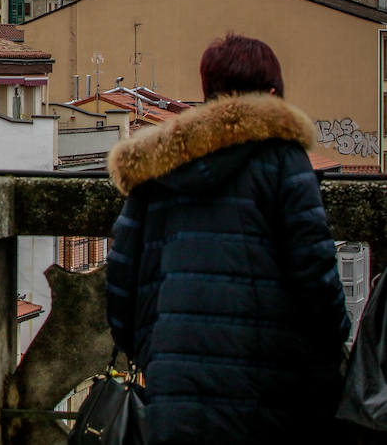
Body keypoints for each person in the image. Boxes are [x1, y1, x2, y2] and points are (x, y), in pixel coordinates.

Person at [105, 33, 350, 444]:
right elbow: (315, 270)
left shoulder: (159, 163)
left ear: (209, 89)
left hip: (175, 381)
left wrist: (150, 350)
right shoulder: (281, 158)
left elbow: (122, 274)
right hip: (272, 381)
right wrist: (332, 344)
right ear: (272, 93)